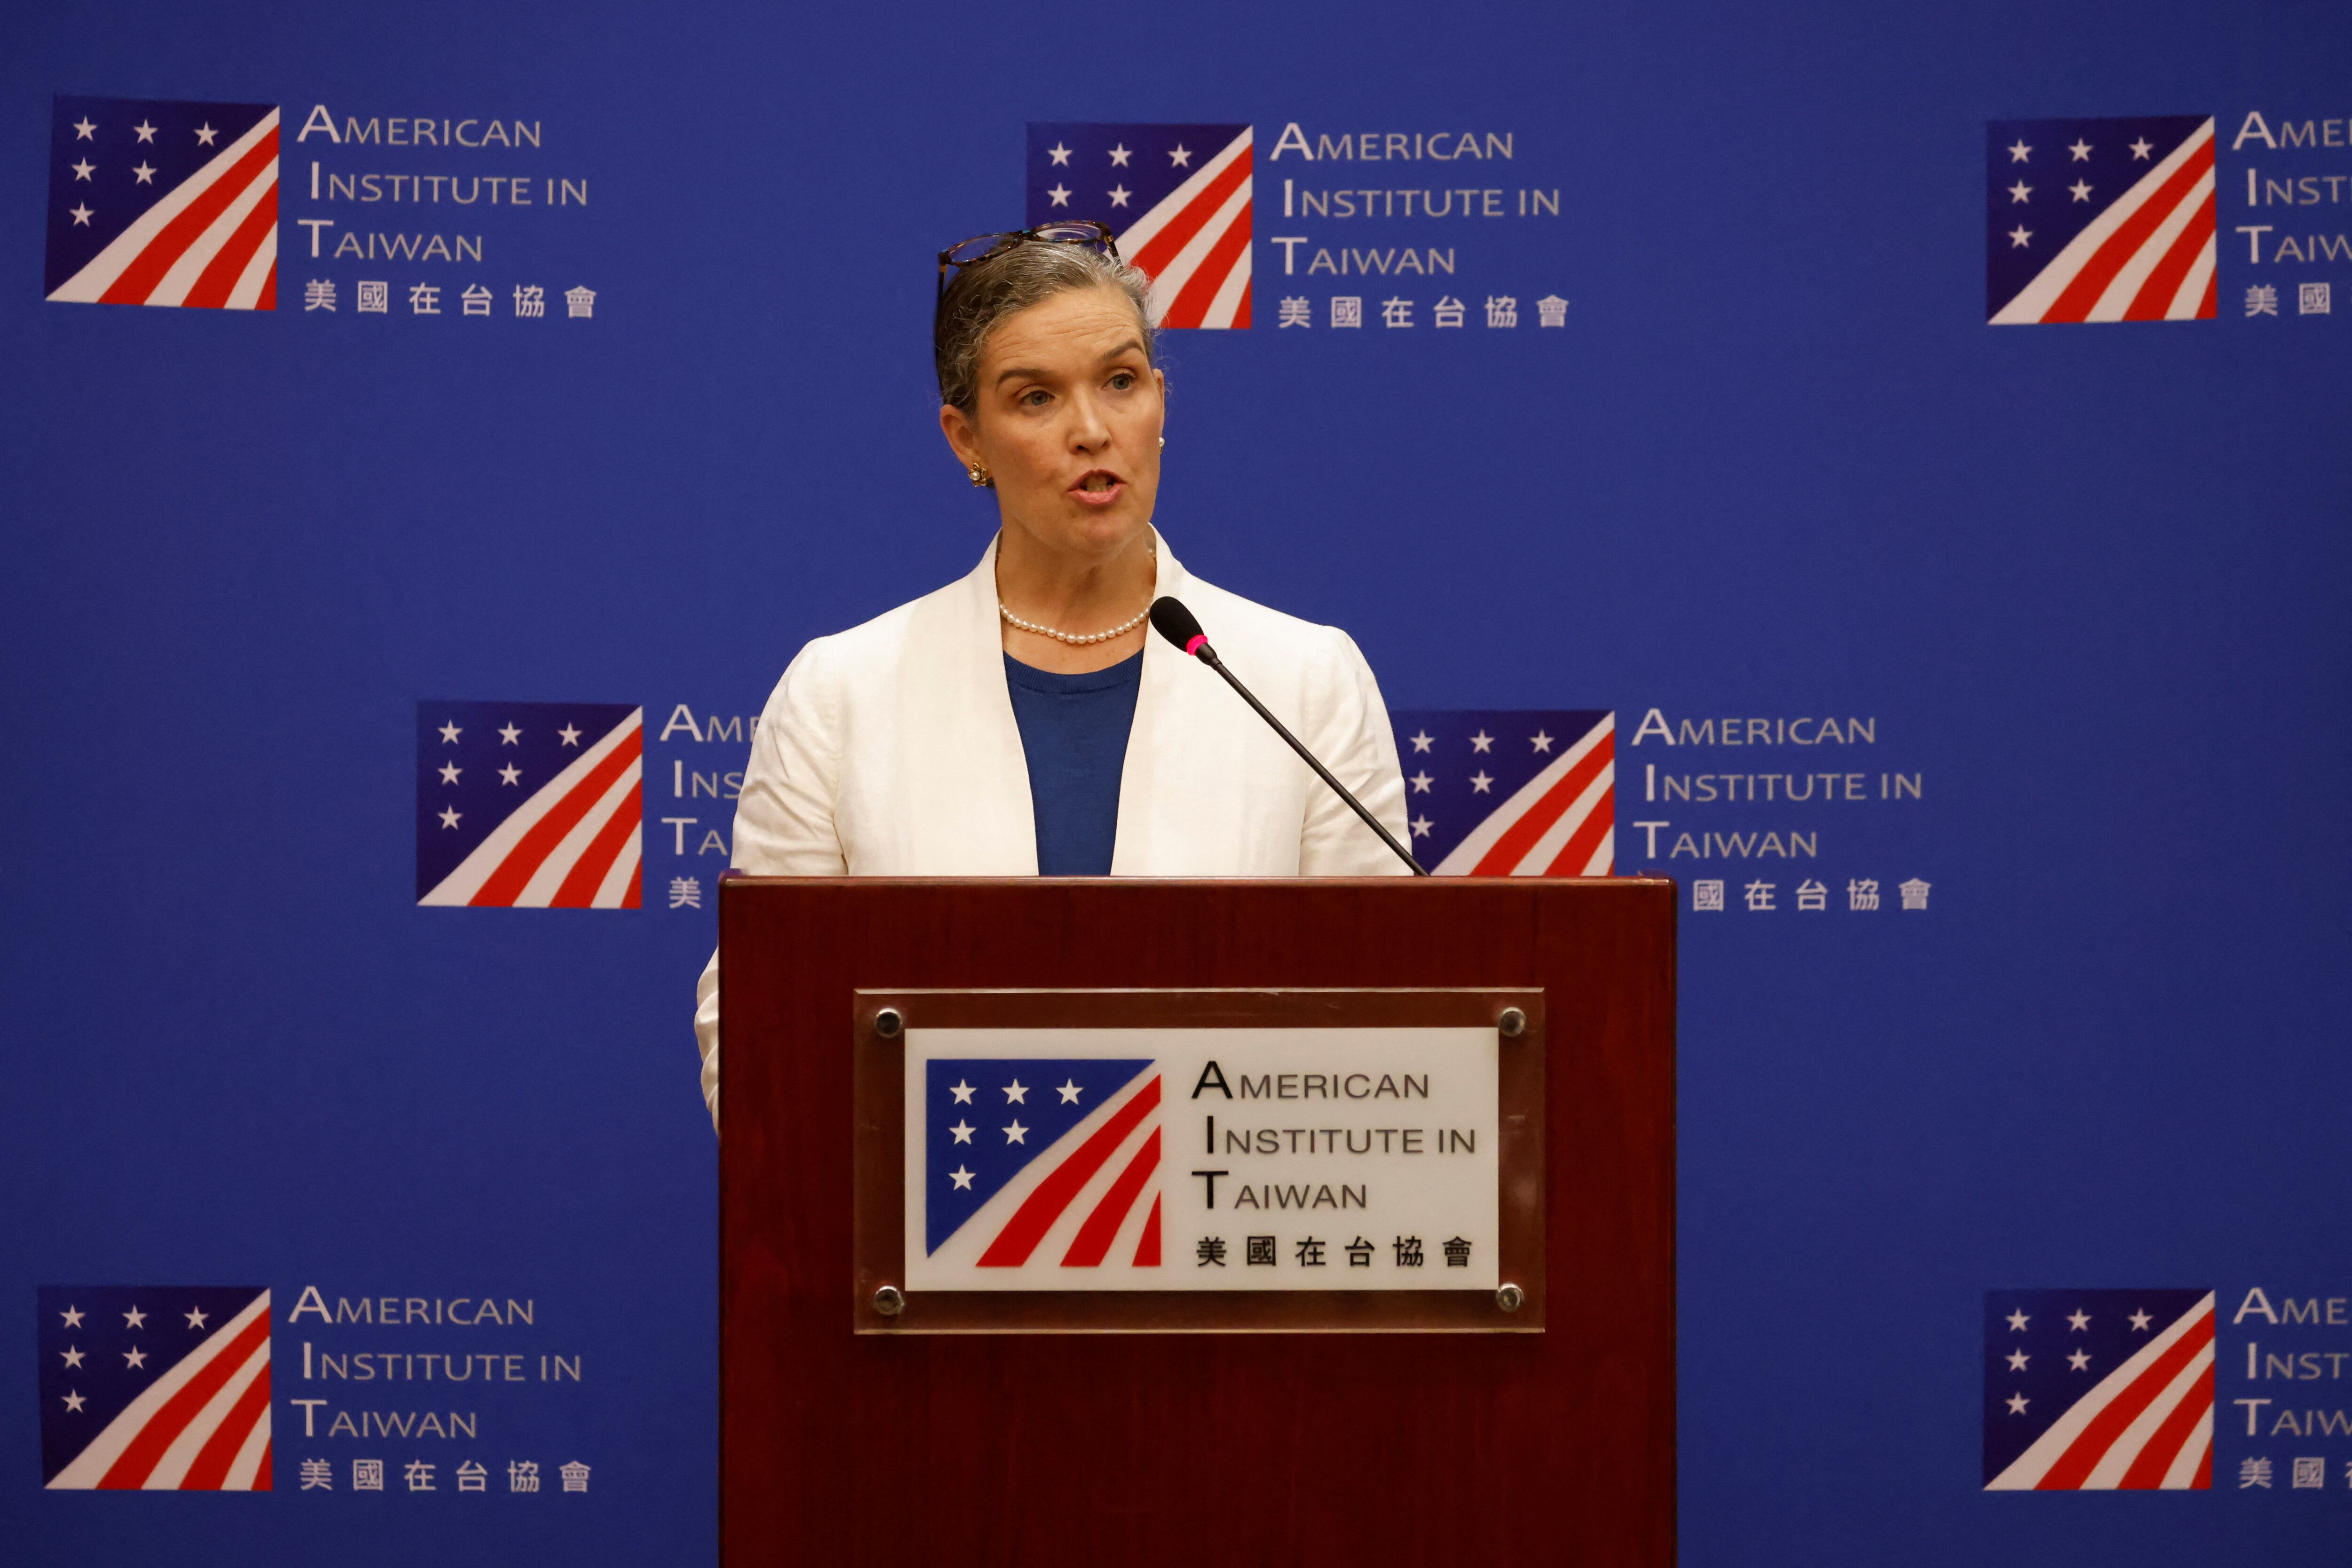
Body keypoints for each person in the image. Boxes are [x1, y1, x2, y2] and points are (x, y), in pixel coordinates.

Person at [691, 222, 1410, 1125]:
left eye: (1120, 382)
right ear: (968, 440)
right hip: (927, 1237)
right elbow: (759, 1031)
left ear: (1161, 399)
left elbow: (1384, 1015)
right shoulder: (840, 694)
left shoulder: (1305, 680)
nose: (1091, 431)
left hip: (1233, 1230)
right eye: (1035, 399)